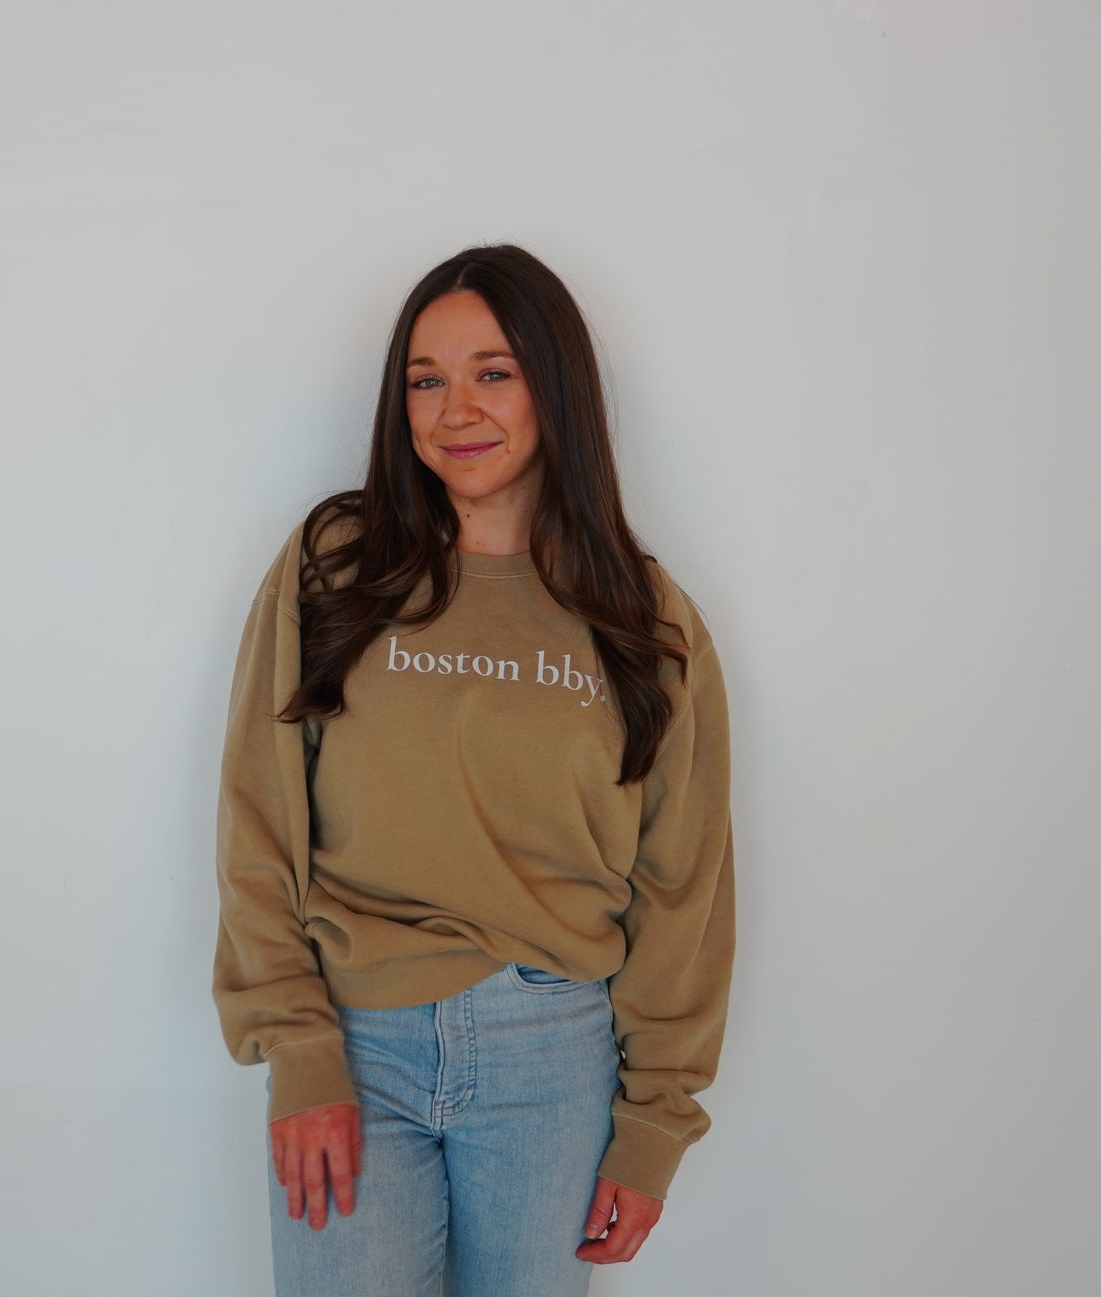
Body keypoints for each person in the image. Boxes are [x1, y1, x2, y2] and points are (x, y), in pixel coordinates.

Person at [211, 243, 737, 1297]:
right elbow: (257, 818)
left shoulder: (646, 620)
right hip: (355, 1040)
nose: (455, 409)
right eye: (425, 379)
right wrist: (298, 1046)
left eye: (493, 372)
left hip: (553, 1055)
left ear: (556, 386)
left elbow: (683, 886)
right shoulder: (335, 563)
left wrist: (654, 1122)